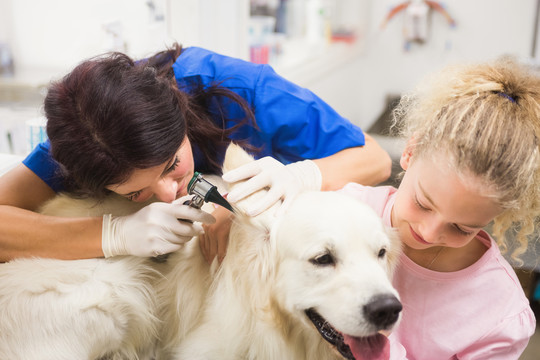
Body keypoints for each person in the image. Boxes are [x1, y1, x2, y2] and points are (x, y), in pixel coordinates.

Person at [228, 58, 540, 358]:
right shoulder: (341, 208)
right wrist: (221, 213)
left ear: (499, 214)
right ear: (410, 151)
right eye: (423, 203)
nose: (428, 232)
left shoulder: (501, 315)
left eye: (463, 228)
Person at [0, 43, 391, 262]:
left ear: (181, 113)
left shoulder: (236, 87)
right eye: (136, 192)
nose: (169, 193)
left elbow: (375, 159)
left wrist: (299, 177)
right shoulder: (86, 136)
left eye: (172, 165)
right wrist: (112, 235)